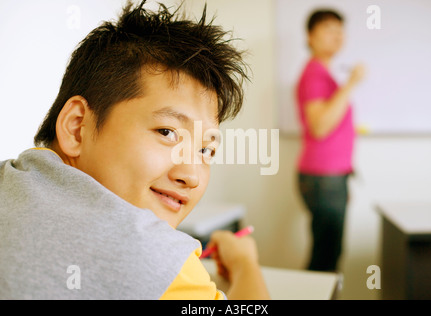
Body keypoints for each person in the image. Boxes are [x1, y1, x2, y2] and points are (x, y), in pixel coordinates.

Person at [0, 1, 269, 300]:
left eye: (206, 151)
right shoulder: (158, 260)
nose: (191, 175)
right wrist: (246, 265)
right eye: (167, 133)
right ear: (77, 127)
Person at [295, 9, 365, 272]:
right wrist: (351, 84)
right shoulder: (314, 74)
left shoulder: (324, 74)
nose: (336, 35)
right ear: (310, 36)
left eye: (340, 30)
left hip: (331, 178)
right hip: (323, 178)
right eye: (328, 29)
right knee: (326, 258)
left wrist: (343, 181)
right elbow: (320, 126)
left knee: (328, 253)